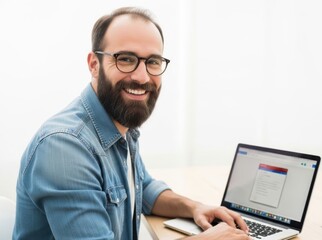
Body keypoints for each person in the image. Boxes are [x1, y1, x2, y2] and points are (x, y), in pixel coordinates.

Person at [13, 7, 251, 240]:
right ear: (94, 65)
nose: (142, 77)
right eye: (125, 59)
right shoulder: (65, 147)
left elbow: (143, 188)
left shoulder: (119, 124)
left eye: (153, 62)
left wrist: (195, 208)